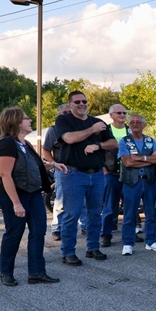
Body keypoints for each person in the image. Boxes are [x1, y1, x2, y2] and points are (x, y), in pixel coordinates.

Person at [0, 107, 60, 286]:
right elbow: (5, 174)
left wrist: (53, 165)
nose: (30, 121)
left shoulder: (25, 144)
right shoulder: (6, 144)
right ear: (15, 122)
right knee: (14, 232)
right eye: (26, 118)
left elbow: (33, 167)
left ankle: (36, 272)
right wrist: (16, 203)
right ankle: (6, 272)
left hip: (33, 193)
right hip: (14, 195)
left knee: (38, 232)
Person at [56, 91, 118, 266]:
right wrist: (92, 130)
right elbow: (69, 138)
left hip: (97, 174)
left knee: (95, 214)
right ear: (70, 104)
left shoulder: (97, 121)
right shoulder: (64, 120)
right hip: (74, 174)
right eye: (77, 102)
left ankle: (92, 248)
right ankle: (68, 252)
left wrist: (98, 145)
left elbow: (113, 143)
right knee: (72, 214)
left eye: (84, 101)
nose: (82, 104)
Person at [118, 114, 156, 255]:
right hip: (131, 182)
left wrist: (140, 158)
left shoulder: (150, 140)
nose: (135, 124)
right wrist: (150, 160)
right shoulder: (124, 141)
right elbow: (127, 162)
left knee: (151, 212)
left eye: (138, 122)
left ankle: (151, 241)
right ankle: (127, 243)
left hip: (149, 180)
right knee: (129, 213)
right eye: (132, 122)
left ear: (144, 125)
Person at [99, 104, 132, 247]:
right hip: (111, 173)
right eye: (119, 113)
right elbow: (98, 151)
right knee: (109, 206)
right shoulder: (105, 131)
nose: (122, 115)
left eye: (124, 113)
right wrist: (104, 170)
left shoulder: (130, 130)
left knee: (130, 204)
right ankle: (106, 235)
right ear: (111, 115)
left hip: (129, 173)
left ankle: (130, 233)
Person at [41, 103, 72, 242]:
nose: (67, 115)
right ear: (59, 114)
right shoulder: (54, 130)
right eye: (65, 113)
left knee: (83, 200)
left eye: (69, 113)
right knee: (61, 200)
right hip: (62, 168)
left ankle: (84, 225)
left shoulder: (78, 128)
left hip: (80, 169)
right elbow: (46, 150)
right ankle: (57, 228)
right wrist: (54, 163)